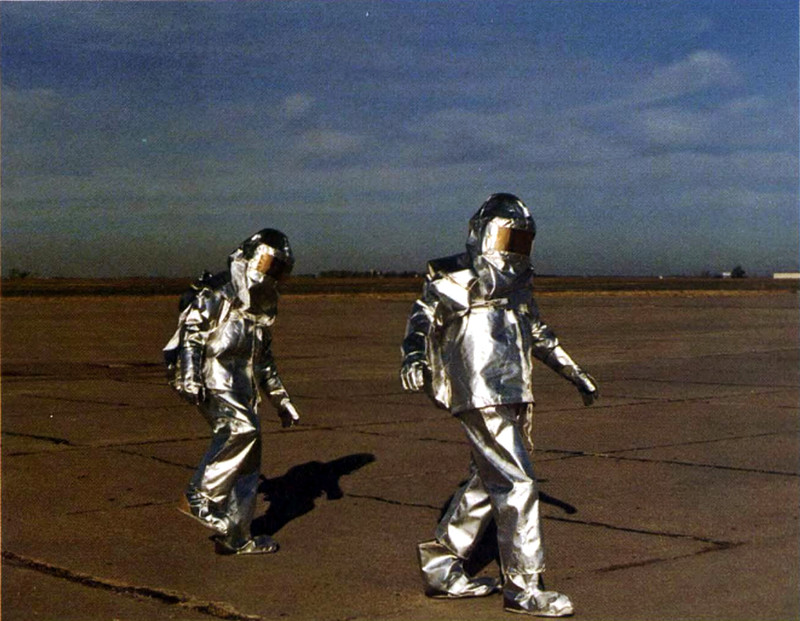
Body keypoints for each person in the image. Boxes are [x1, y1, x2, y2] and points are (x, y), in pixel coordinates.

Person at [400, 193, 598, 616]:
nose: (514, 250)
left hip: (512, 392)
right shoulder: (452, 274)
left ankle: (441, 566)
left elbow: (539, 333)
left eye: (523, 241)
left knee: (486, 482)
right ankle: (523, 587)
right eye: (509, 237)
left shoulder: (520, 284)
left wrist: (574, 372)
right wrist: (414, 356)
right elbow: (422, 318)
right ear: (485, 232)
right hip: (478, 391)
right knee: (518, 482)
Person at [164, 228, 301, 555]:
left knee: (249, 460)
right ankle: (199, 497)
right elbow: (193, 334)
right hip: (213, 379)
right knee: (242, 430)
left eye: (280, 269)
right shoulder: (218, 294)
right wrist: (190, 375)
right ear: (251, 257)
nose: (273, 274)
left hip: (243, 388)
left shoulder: (261, 309)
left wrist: (282, 401)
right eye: (269, 264)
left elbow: (264, 362)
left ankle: (236, 536)